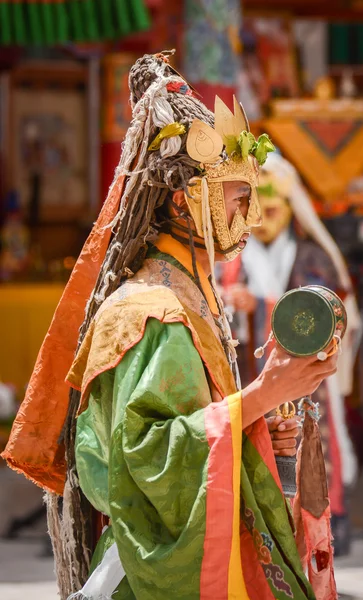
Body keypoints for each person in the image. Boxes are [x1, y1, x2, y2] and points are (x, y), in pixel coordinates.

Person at [3, 53, 338, 599]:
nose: (250, 218)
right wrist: (259, 397)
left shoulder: (190, 288)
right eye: (239, 198)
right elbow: (143, 459)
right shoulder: (149, 310)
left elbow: (196, 419)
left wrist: (260, 425)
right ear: (186, 201)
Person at [221, 153, 358, 556]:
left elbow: (325, 312)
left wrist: (260, 306)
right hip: (250, 374)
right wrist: (230, 301)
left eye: (274, 207)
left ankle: (327, 530)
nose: (264, 217)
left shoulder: (312, 255)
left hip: (306, 377)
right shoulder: (234, 258)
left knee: (313, 449)